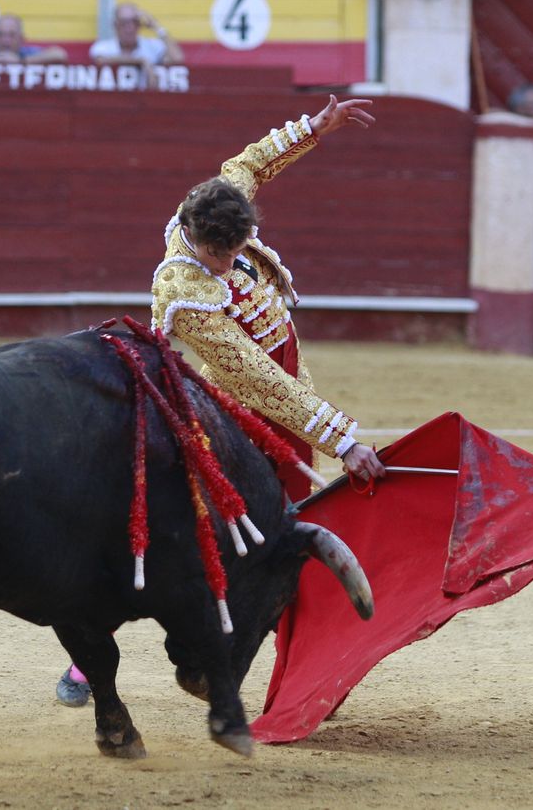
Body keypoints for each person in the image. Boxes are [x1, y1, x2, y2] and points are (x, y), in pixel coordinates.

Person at [57, 94, 387, 708]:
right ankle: (88, 661)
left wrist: (316, 127)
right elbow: (254, 377)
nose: (231, 263)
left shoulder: (216, 208)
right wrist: (342, 439)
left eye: (237, 249)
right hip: (222, 421)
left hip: (278, 403)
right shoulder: (185, 289)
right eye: (221, 255)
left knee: (271, 540)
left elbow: (250, 163)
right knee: (178, 543)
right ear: (193, 238)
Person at [89, 1, 183, 73]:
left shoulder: (152, 46)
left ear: (139, 25)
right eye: (124, 23)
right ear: (115, 25)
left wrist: (156, 26)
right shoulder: (103, 47)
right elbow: (101, 61)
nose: (129, 28)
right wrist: (140, 62)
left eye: (134, 22)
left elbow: (177, 59)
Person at [0, 13, 65, 65]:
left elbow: (59, 54)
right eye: (1, 34)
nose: (6, 40)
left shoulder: (28, 52)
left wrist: (21, 61)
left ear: (21, 39)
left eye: (11, 35)